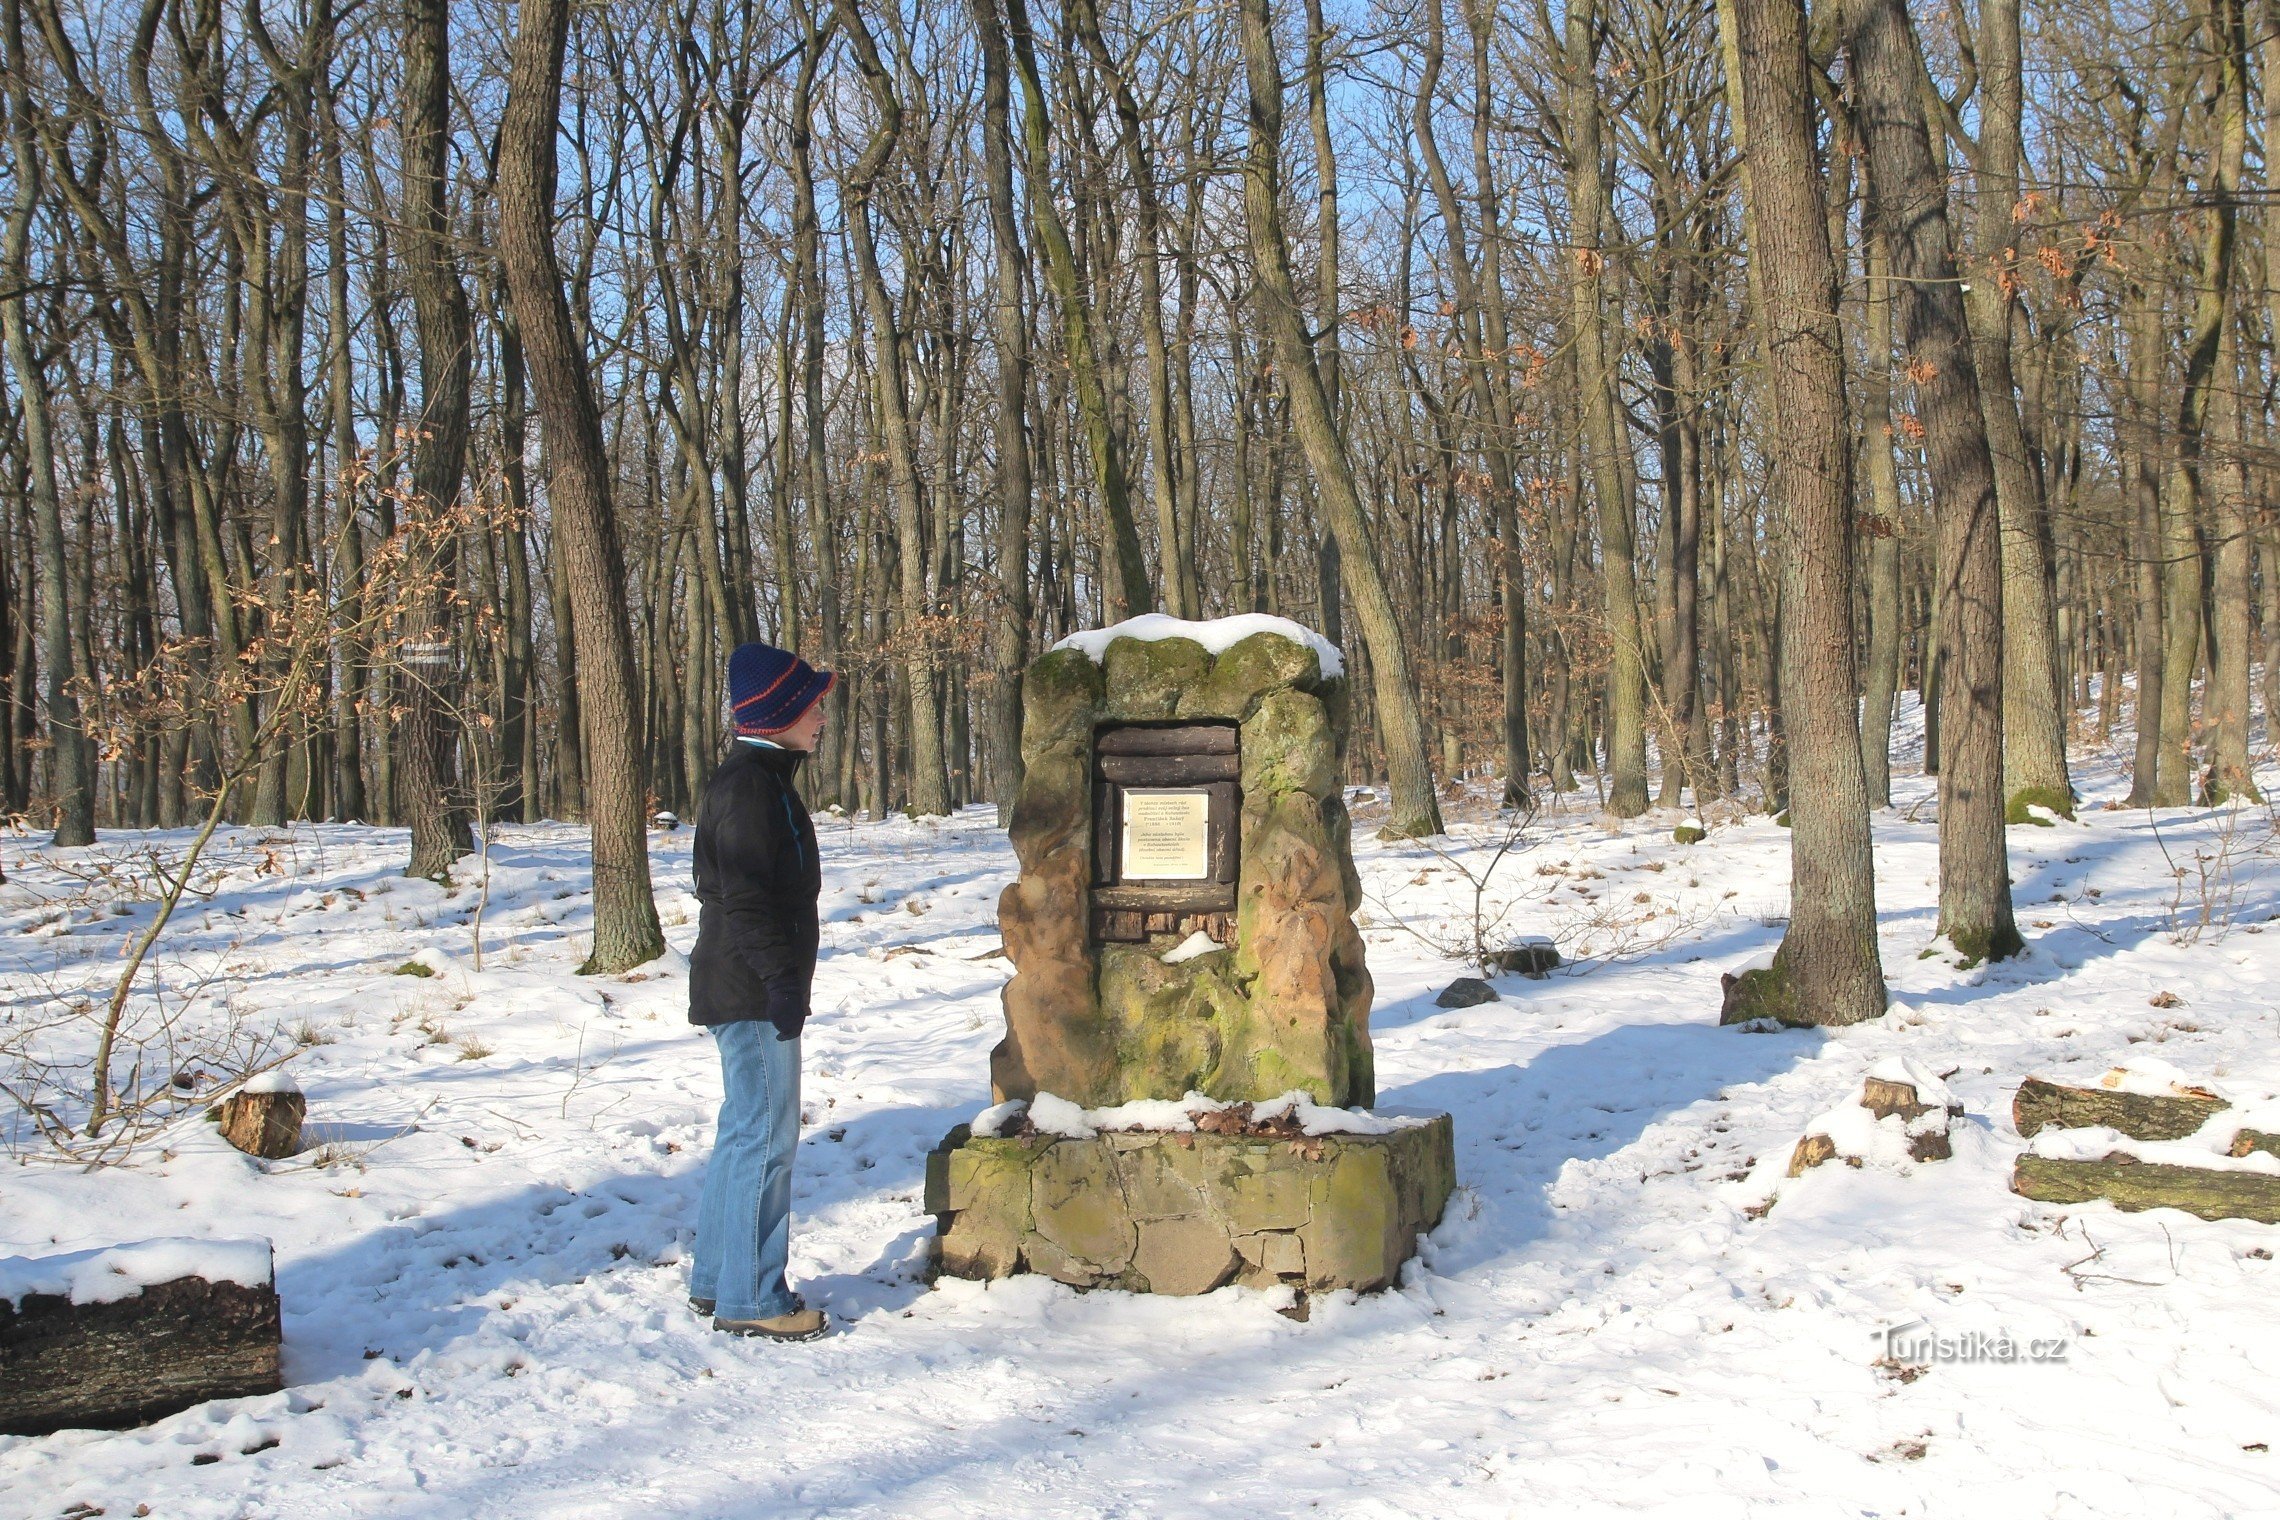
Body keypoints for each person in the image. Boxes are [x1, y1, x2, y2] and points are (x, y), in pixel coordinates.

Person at [686, 640, 835, 1341]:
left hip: (744, 985)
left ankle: (719, 1279)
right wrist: (780, 985)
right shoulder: (749, 786)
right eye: (811, 703)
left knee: (744, 1132)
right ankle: (752, 1298)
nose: (821, 716)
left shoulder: (761, 779)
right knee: (766, 1141)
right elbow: (743, 899)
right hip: (749, 991)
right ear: (777, 709)